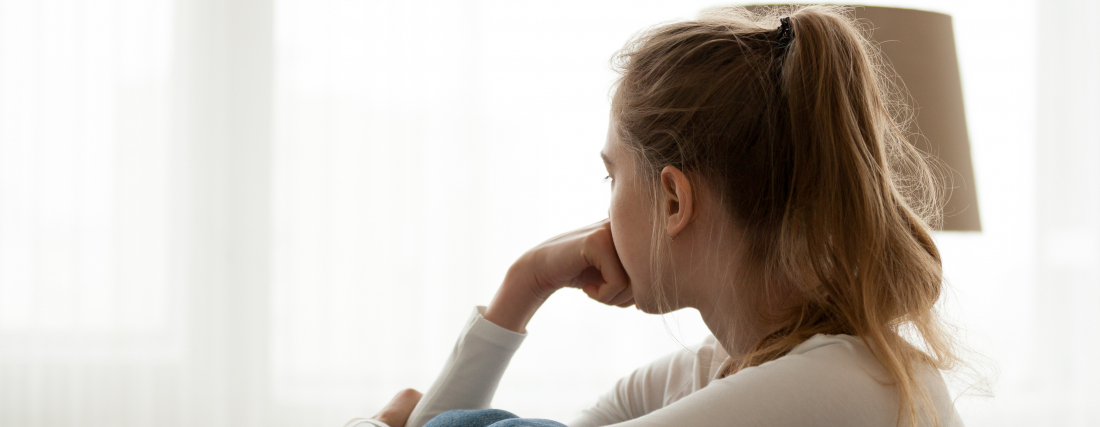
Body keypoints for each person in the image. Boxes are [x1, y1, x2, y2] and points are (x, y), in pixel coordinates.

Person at [347, 5, 963, 427]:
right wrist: (525, 282)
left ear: (674, 200)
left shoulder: (846, 385)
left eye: (612, 176)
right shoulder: (713, 368)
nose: (604, 209)